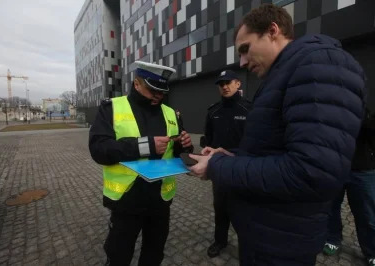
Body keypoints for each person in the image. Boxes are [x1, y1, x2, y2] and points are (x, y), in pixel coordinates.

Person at [188, 3, 367, 266]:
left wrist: (219, 166)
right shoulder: (284, 75)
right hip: (266, 234)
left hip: (283, 244)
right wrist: (232, 155)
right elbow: (276, 150)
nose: (242, 62)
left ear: (273, 31)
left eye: (245, 49)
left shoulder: (319, 65)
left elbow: (311, 172)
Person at [89, 61, 193, 266]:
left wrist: (185, 146)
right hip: (126, 201)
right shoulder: (111, 108)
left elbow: (175, 150)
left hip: (160, 201)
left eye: (162, 92)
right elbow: (99, 149)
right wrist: (146, 146)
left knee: (154, 254)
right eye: (153, 90)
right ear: (137, 84)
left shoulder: (171, 113)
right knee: (119, 255)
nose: (158, 96)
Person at [202, 70, 251, 258]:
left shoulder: (249, 109)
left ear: (238, 84)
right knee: (220, 208)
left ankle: (248, 244)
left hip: (243, 169)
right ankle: (220, 241)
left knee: (244, 210)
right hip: (220, 170)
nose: (224, 86)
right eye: (221, 84)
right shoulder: (213, 111)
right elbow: (208, 139)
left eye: (228, 82)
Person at [323, 108, 375, 266]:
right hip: (336, 168)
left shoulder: (364, 110)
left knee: (367, 214)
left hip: (362, 169)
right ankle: (332, 238)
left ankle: (372, 251)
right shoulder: (332, 109)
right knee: (331, 207)